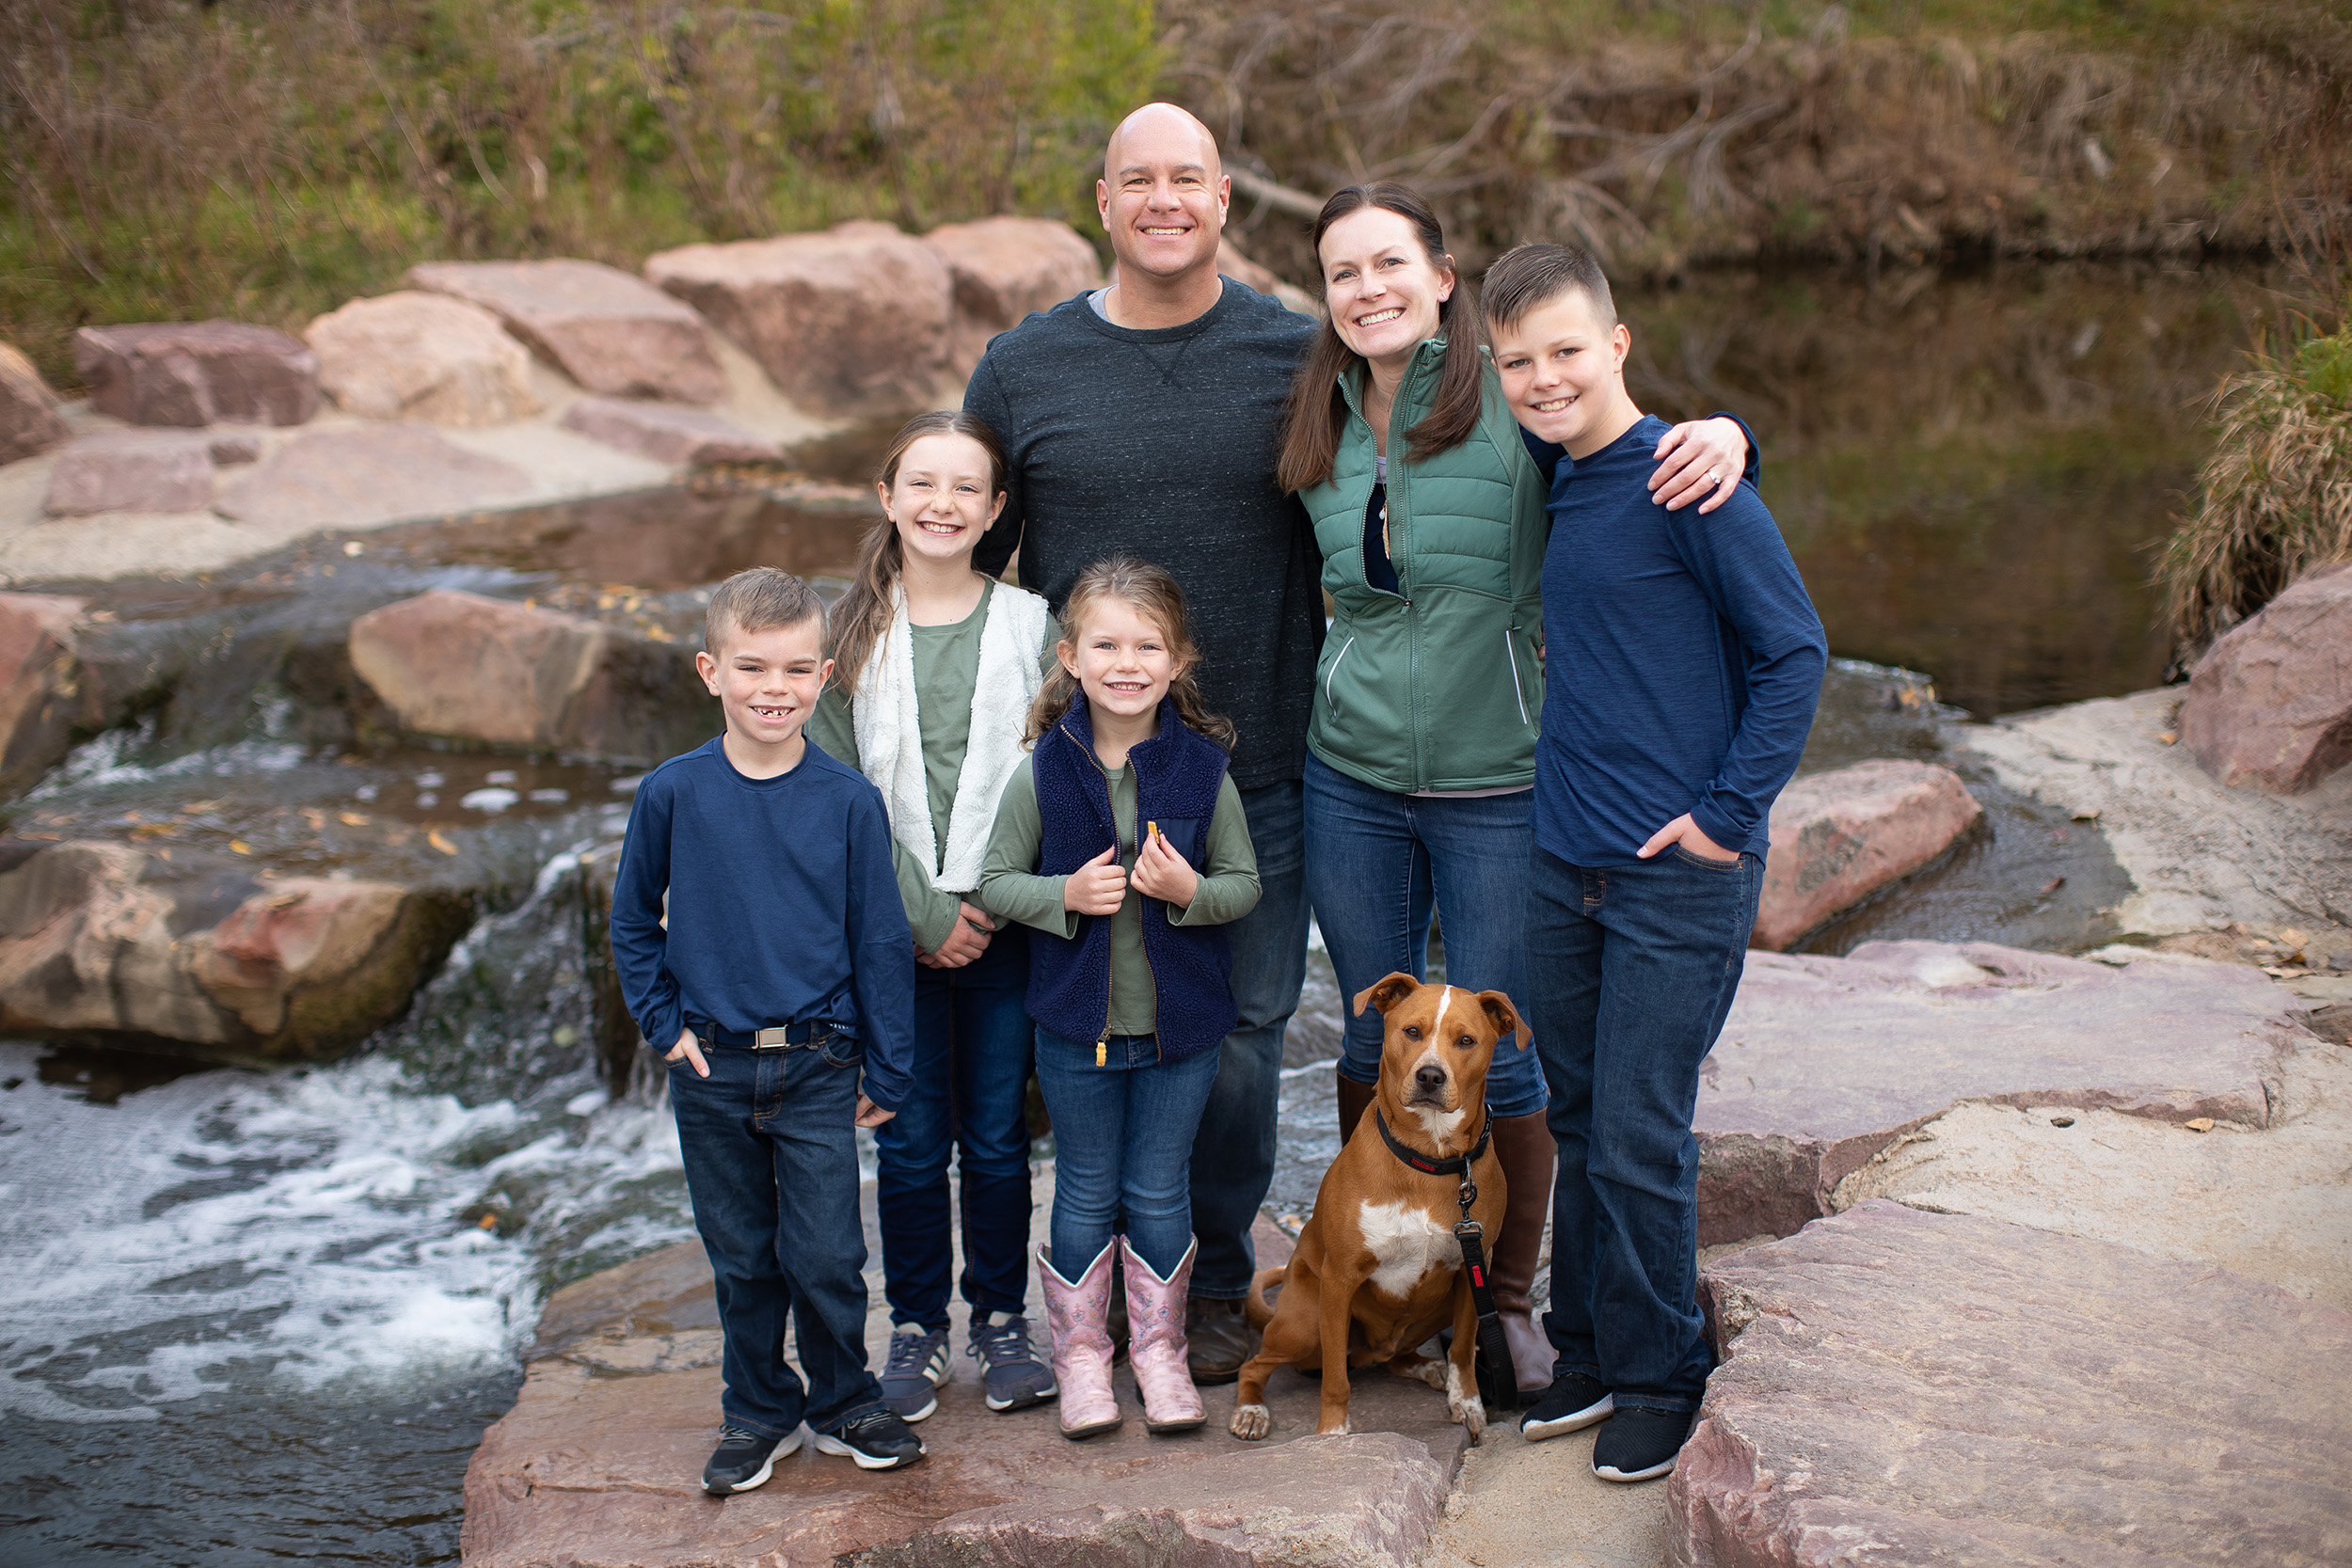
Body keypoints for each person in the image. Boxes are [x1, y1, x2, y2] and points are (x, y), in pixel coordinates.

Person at [1276, 181, 1755, 1396]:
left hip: (1502, 777)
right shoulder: (1311, 416)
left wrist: (1734, 434)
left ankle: (1507, 1306)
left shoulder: (1508, 400)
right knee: (1374, 1031)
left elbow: (1626, 436)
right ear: (1324, 297)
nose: (1369, 289)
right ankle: (1383, 1274)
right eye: (1343, 272)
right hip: (1353, 776)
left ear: (1444, 280)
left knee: (1509, 1043)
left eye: (1392, 263)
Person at [966, 102, 1318, 1382]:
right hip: (1079, 781)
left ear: (1226, 200)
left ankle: (1209, 1277)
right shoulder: (1025, 367)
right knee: (1084, 1032)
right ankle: (1088, 1288)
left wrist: (1713, 435)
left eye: (1190, 177)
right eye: (1139, 179)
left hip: (1254, 767)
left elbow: (1462, 431)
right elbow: (967, 565)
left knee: (1237, 1032)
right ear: (1102, 202)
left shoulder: (1299, 353)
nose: (1165, 198)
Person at [1482, 244, 1826, 1482]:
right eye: (1518, 360)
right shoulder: (1554, 465)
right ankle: (1585, 1345)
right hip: (1563, 859)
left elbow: (1796, 654)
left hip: (1677, 868)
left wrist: (1729, 816)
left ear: (1619, 345)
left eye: (1568, 350)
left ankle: (1664, 1374)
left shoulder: (1695, 482)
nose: (1544, 377)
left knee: (1638, 1128)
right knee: (1575, 1115)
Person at [608, 567, 928, 1491]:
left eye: (794, 669)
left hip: (820, 1060)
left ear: (825, 676)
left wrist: (890, 1066)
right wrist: (663, 1025)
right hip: (709, 1064)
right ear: (711, 670)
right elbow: (633, 919)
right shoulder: (672, 793)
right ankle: (757, 1410)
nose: (773, 688)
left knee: (827, 1251)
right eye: (751, 667)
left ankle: (845, 1400)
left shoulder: (846, 801)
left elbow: (879, 938)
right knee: (743, 1256)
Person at [804, 412, 1059, 1424]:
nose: (941, 504)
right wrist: (920, 911)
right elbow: (834, 792)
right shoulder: (845, 634)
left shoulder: (1033, 625)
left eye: (965, 488)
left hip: (1001, 926)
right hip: (889, 936)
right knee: (909, 1144)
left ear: (995, 509)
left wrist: (988, 899)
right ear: (886, 496)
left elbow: (1056, 774)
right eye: (922, 483)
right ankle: (913, 1324)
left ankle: (998, 1314)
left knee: (995, 1136)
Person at [977, 558, 1261, 1440]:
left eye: (1147, 646)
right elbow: (993, 883)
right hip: (1074, 1029)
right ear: (1069, 656)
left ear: (1178, 661)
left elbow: (1245, 885)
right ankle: (1079, 1360)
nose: (1126, 662)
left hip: (1182, 1030)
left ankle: (1161, 1351)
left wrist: (1189, 891)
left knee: (1161, 1186)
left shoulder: (1207, 771)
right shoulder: (1041, 774)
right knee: (1086, 1188)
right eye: (1105, 643)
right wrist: (1061, 894)